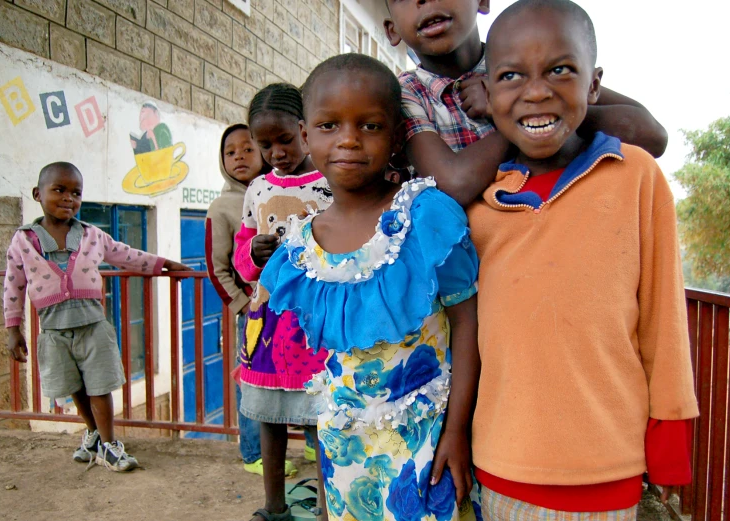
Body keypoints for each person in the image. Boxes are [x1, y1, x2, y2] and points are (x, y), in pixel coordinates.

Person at [466, 1, 699, 517]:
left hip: (608, 467)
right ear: (487, 93)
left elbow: (664, 323)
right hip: (501, 464)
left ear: (593, 86)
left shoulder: (636, 176)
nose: (536, 91)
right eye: (510, 75)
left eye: (560, 70)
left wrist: (668, 449)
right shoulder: (478, 202)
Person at [259, 53, 481, 521]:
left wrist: (458, 429)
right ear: (305, 136)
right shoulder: (300, 248)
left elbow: (467, 322)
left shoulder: (424, 218)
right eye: (328, 125)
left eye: (370, 126)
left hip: (428, 436)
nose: (348, 140)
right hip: (343, 441)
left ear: (397, 134)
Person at [383, 0, 669, 206]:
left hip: (557, 221)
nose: (423, 1)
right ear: (392, 29)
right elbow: (454, 183)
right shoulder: (404, 93)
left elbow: (652, 136)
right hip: (471, 272)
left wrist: (553, 114)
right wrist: (513, 118)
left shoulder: (524, 50)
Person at [4, 162, 191, 472]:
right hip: (53, 329)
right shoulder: (23, 240)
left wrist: (164, 264)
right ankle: (92, 434)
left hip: (93, 326)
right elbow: (13, 284)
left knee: (100, 386)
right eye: (59, 190)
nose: (68, 198)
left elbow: (126, 255)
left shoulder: (92, 235)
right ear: (38, 194)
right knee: (75, 386)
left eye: (76, 193)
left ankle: (109, 445)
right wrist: (13, 329)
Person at [232, 83, 332, 521]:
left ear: (305, 128)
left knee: (326, 419)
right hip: (269, 317)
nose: (275, 152)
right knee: (268, 415)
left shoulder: (330, 180)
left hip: (319, 316)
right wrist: (252, 254)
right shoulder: (256, 190)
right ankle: (275, 507)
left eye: (285, 140)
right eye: (264, 143)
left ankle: (332, 508)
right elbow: (242, 249)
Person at [205, 124, 314, 477]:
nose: (239, 157)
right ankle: (254, 452)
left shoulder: (297, 185)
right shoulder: (222, 206)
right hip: (255, 307)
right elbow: (217, 264)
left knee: (306, 370)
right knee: (256, 382)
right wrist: (240, 304)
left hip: (299, 305)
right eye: (230, 152)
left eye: (248, 148)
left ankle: (314, 442)